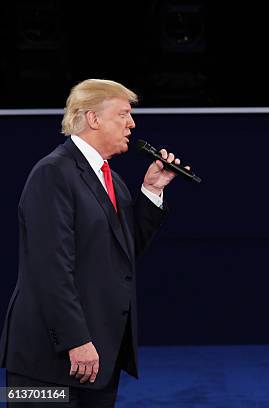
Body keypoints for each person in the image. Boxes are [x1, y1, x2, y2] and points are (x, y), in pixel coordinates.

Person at [0, 79, 189, 407]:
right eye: (124, 114)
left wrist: (152, 191)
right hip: (51, 360)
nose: (132, 124)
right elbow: (50, 267)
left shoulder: (110, 177)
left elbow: (120, 254)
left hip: (98, 356)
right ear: (93, 118)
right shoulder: (52, 173)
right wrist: (77, 340)